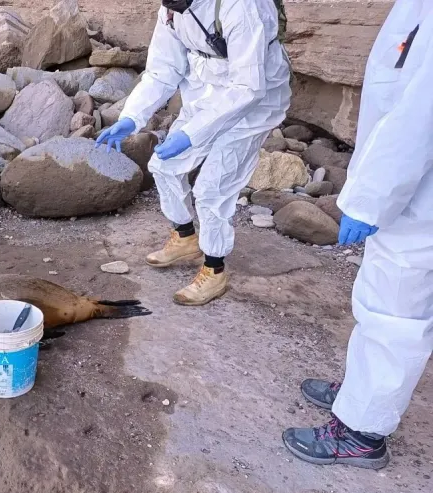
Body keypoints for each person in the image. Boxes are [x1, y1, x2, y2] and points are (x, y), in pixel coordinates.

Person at [283, 0, 433, 469]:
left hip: (418, 197)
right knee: (379, 298)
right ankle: (359, 393)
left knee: (395, 313)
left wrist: (370, 198)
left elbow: (419, 120)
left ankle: (362, 433)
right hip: (408, 192)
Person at [96, 0, 290, 306]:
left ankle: (215, 270)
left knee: (213, 189)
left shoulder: (240, 7)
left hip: (255, 104)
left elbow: (247, 88)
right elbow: (163, 70)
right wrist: (132, 117)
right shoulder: (172, 8)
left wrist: (191, 134)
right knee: (162, 164)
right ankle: (186, 237)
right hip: (206, 94)